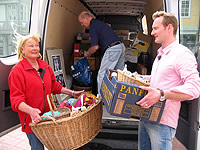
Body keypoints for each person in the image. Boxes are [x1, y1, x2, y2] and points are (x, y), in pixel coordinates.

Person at [136, 11, 200, 150]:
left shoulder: (182, 54)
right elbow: (159, 79)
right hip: (145, 116)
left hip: (162, 122)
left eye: (155, 28)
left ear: (169, 28)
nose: (152, 33)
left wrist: (162, 94)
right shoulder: (161, 53)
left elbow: (194, 89)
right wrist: (138, 78)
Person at [8, 35, 84, 150]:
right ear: (22, 49)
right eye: (31, 46)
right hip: (32, 120)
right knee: (37, 147)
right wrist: (31, 111)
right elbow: (16, 100)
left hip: (49, 117)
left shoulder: (45, 66)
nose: (35, 48)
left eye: (36, 45)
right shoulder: (17, 71)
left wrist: (72, 93)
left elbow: (54, 86)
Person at [78, 11, 125, 95]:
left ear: (86, 18)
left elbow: (95, 47)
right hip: (120, 47)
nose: (82, 25)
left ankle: (100, 100)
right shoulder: (98, 24)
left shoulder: (93, 27)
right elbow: (99, 45)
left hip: (113, 49)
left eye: (81, 22)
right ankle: (117, 97)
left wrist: (87, 53)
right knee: (118, 74)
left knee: (102, 74)